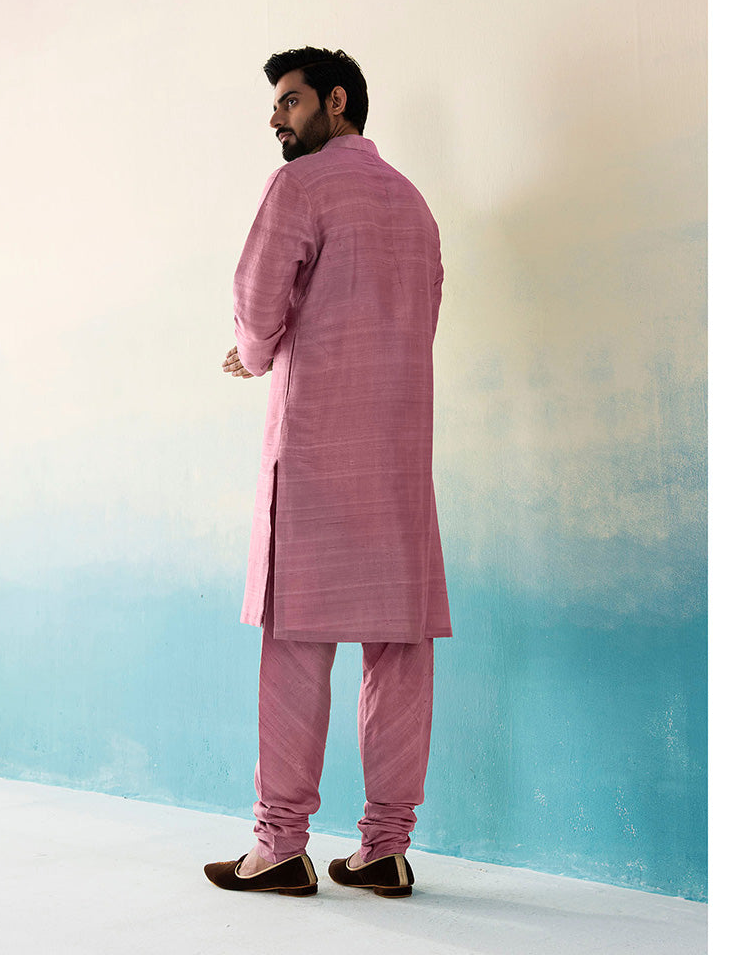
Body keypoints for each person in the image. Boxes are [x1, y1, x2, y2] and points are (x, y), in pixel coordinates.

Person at [204, 47, 451, 899]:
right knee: (399, 649)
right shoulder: (413, 203)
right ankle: (386, 848)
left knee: (296, 645)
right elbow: (422, 315)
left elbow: (257, 302)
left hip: (314, 450)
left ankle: (279, 846)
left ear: (336, 101)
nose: (277, 117)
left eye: (291, 100)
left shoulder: (300, 186)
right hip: (399, 460)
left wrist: (254, 355)